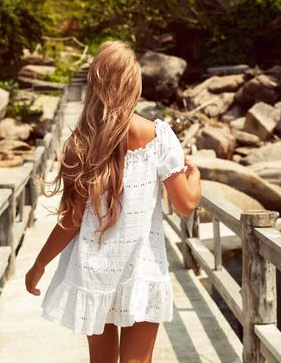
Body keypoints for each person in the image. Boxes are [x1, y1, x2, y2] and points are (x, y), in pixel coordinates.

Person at [25, 40, 201, 363]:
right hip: (142, 268)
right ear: (134, 86)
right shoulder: (159, 138)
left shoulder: (81, 143)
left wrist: (40, 263)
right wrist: (196, 177)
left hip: (95, 273)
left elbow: (71, 219)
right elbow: (186, 205)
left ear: (94, 84)